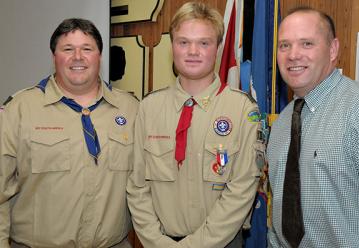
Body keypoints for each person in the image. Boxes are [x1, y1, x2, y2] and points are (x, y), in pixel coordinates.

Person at [127, 2, 262, 247]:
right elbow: (137, 186)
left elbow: (242, 190)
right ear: (172, 46)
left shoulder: (242, 109)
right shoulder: (149, 108)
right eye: (183, 42)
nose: (193, 51)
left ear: (218, 48)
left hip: (223, 242)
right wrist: (158, 242)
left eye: (204, 43)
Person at [267, 7, 359, 247]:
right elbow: (280, 221)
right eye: (284, 45)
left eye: (307, 43)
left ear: (333, 50)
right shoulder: (281, 125)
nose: (293, 55)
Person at [0, 18, 139, 248]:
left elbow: (144, 186)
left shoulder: (131, 109)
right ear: (54, 57)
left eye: (87, 49)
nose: (78, 57)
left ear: (99, 56)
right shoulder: (19, 109)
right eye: (67, 49)